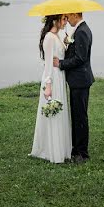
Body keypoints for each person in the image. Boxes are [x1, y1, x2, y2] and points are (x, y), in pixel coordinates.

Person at [29, 14, 72, 163]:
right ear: (56, 20)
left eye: (67, 19)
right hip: (52, 78)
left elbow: (60, 55)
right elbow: (48, 64)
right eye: (64, 19)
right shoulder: (48, 37)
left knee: (60, 113)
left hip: (60, 76)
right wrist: (48, 86)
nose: (66, 22)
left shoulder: (58, 35)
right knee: (54, 113)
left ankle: (62, 148)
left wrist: (67, 42)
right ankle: (51, 150)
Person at [53, 11, 93, 163]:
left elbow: (80, 58)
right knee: (77, 116)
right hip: (78, 80)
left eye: (68, 16)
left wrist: (61, 64)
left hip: (80, 80)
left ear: (75, 15)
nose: (67, 20)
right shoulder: (80, 30)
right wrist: (68, 42)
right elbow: (76, 51)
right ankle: (76, 149)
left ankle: (82, 154)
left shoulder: (82, 31)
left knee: (80, 117)